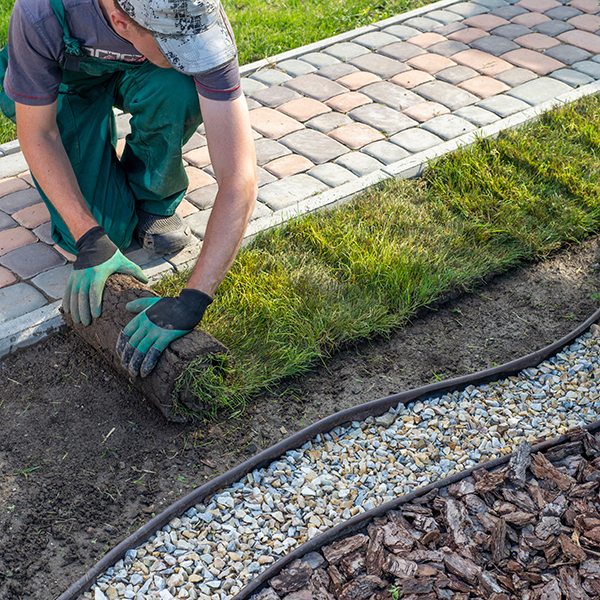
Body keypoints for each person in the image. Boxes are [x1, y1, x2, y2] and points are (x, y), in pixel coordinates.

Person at [0, 0, 257, 378]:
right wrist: (89, 238)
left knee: (180, 85)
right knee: (105, 234)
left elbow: (240, 176)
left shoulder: (196, 18)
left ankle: (154, 198)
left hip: (142, 71)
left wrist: (193, 299)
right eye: (176, 46)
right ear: (121, 22)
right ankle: (90, 134)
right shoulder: (40, 12)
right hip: (64, 83)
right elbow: (37, 133)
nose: (193, 54)